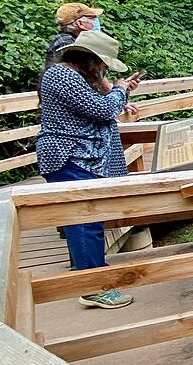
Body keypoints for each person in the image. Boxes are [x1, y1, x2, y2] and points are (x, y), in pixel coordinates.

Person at [37, 30, 142, 308]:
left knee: (85, 220)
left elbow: (97, 106)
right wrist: (119, 90)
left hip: (81, 158)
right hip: (70, 157)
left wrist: (118, 92)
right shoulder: (62, 75)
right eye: (103, 63)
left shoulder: (74, 76)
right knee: (85, 221)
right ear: (90, 58)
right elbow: (103, 110)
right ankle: (94, 287)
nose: (104, 68)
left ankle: (90, 274)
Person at [44, 2, 104, 68]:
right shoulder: (66, 43)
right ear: (80, 23)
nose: (96, 21)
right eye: (92, 18)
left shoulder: (77, 40)